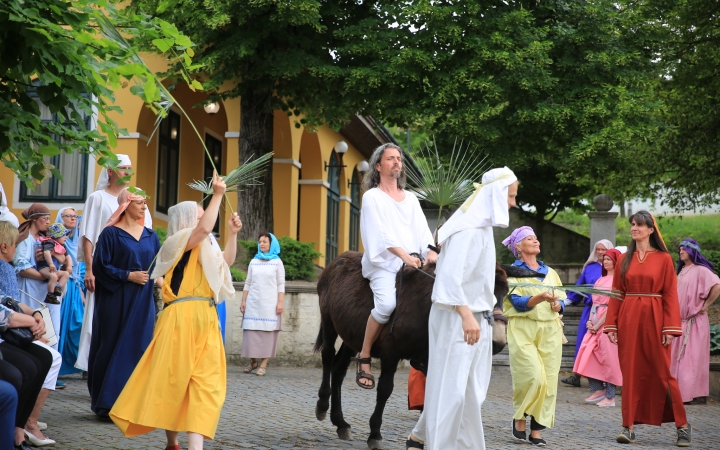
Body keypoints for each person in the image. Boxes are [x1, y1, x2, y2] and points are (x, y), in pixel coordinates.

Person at [110, 173, 241, 450]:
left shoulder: (203, 245)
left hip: (205, 318)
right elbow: (204, 230)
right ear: (186, 219)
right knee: (175, 381)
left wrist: (233, 234)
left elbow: (226, 262)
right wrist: (217, 195)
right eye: (201, 214)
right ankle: (173, 443)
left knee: (206, 385)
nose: (206, 217)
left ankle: (193, 446)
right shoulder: (176, 243)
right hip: (180, 320)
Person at [406, 168, 518, 450]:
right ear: (496, 195)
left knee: (470, 393)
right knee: (452, 393)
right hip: (457, 318)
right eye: (512, 196)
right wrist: (467, 316)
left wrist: (485, 314)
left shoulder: (480, 227)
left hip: (474, 317)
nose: (513, 203)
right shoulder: (468, 230)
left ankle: (429, 438)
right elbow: (449, 278)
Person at [604, 210, 691, 446]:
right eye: (632, 224)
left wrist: (669, 328)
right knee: (630, 372)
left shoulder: (663, 258)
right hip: (629, 318)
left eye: (640, 225)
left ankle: (682, 426)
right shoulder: (624, 259)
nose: (634, 228)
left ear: (651, 230)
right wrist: (611, 324)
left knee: (663, 372)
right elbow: (617, 293)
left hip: (655, 318)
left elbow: (670, 294)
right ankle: (628, 426)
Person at [357, 143, 437, 389]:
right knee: (386, 305)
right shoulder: (372, 197)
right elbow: (380, 235)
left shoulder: (411, 198)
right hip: (384, 263)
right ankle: (364, 355)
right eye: (390, 158)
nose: (396, 162)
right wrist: (404, 256)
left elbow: (423, 230)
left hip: (412, 262)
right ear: (378, 166)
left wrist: (431, 252)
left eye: (399, 159)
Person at [87, 188, 160, 417]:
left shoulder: (151, 235)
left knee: (139, 346)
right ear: (126, 205)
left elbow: (159, 267)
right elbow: (100, 266)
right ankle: (107, 404)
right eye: (140, 202)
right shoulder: (110, 234)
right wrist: (128, 276)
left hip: (143, 301)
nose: (144, 207)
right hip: (115, 300)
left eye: (145, 203)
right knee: (111, 344)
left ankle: (134, 405)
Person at [75, 155, 152, 372]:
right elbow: (89, 235)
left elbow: (147, 233)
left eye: (130, 168)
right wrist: (89, 270)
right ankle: (94, 367)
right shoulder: (97, 198)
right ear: (110, 172)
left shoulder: (137, 198)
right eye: (122, 168)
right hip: (104, 268)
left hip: (132, 268)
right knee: (97, 319)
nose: (128, 172)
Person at [502, 226, 566, 446]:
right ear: (518, 247)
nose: (535, 241)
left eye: (536, 238)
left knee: (548, 381)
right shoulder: (512, 272)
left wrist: (559, 305)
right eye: (529, 238)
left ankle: (537, 430)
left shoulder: (550, 272)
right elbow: (518, 304)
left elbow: (562, 298)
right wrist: (539, 297)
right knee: (532, 376)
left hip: (550, 330)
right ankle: (520, 416)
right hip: (523, 329)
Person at [0, 220, 56, 448]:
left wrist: (34, 313)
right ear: (5, 246)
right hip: (5, 334)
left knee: (45, 357)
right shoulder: (4, 267)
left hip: (9, 332)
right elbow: (5, 313)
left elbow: (6, 299)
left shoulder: (7, 266)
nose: (16, 249)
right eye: (15, 244)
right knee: (25, 369)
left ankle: (19, 427)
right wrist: (31, 321)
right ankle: (16, 430)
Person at [671, 238, 720, 405]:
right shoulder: (683, 270)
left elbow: (717, 285)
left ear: (692, 251)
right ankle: (681, 393)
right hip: (681, 322)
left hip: (695, 322)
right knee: (680, 358)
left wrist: (705, 305)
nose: (681, 252)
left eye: (684, 249)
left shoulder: (701, 270)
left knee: (691, 358)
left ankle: (695, 395)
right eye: (680, 249)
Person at [573, 249, 623, 407]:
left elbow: (612, 306)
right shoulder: (601, 279)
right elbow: (594, 302)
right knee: (588, 354)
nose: (606, 262)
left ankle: (610, 396)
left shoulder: (618, 281)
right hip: (594, 318)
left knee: (609, 359)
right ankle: (598, 389)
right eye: (605, 259)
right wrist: (589, 321)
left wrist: (598, 324)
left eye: (609, 259)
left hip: (608, 322)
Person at [562, 239, 613, 387]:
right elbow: (581, 287)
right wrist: (567, 300)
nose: (600, 252)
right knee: (583, 343)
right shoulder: (590, 268)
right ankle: (577, 375)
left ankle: (605, 378)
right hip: (590, 311)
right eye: (598, 249)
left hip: (608, 311)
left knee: (603, 346)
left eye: (603, 250)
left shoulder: (614, 269)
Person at [13, 204, 62, 349]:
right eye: (45, 218)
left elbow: (62, 258)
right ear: (34, 219)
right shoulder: (24, 238)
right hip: (30, 288)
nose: (48, 222)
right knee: (35, 327)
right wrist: (45, 276)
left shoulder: (44, 238)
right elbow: (21, 267)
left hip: (47, 290)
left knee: (52, 328)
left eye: (49, 219)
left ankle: (51, 363)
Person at [240, 232, 285, 376]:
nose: (262, 244)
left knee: (267, 334)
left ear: (272, 244)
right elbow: (248, 282)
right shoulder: (254, 262)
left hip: (269, 304)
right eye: (260, 241)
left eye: (265, 241)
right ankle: (253, 362)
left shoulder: (277, 262)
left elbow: (280, 284)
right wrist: (243, 300)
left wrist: (280, 302)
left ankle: (263, 364)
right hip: (253, 303)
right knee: (250, 333)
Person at [54, 207, 85, 376]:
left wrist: (80, 291)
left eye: (75, 216)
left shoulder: (78, 242)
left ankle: (76, 364)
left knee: (77, 324)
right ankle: (55, 370)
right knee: (59, 326)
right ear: (61, 218)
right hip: (62, 287)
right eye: (69, 216)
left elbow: (79, 269)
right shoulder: (56, 241)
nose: (73, 219)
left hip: (75, 288)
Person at [36, 223, 71, 305]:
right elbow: (47, 252)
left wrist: (69, 266)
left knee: (66, 274)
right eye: (63, 235)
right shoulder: (49, 242)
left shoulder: (62, 246)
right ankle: (50, 295)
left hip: (54, 269)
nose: (66, 237)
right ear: (56, 236)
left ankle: (57, 288)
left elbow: (68, 257)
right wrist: (51, 263)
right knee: (53, 276)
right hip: (44, 266)